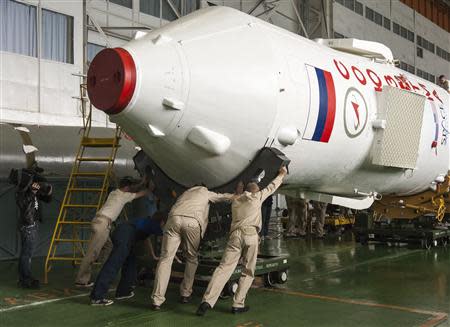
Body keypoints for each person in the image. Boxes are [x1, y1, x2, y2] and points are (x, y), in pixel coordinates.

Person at [196, 166, 287, 316]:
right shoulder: (257, 196)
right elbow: (272, 186)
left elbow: (236, 192)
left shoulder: (236, 200)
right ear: (255, 190)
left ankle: (206, 301)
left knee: (223, 269)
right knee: (248, 271)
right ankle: (238, 304)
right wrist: (282, 173)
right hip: (250, 236)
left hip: (235, 237)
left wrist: (240, 183)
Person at [150, 186, 234, 310]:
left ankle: (157, 300)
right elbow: (223, 197)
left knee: (165, 259)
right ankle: (185, 293)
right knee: (191, 258)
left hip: (173, 219)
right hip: (192, 222)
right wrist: (237, 195)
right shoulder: (205, 192)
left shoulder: (184, 193)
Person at [75, 176, 149, 287]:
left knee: (109, 247)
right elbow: (141, 193)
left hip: (102, 222)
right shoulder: (124, 196)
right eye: (130, 187)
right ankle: (81, 280)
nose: (131, 189)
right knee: (92, 253)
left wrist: (142, 182)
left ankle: (103, 275)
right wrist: (149, 188)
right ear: (127, 187)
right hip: (102, 224)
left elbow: (133, 188)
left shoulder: (114, 193)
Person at [90, 213, 166, 306]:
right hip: (124, 233)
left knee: (131, 262)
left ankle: (123, 292)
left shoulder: (149, 223)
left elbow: (147, 240)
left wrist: (153, 255)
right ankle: (97, 297)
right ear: (162, 222)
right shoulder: (156, 226)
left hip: (125, 234)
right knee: (114, 264)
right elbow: (167, 242)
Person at [15, 169, 52, 289]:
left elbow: (47, 199)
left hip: (32, 224)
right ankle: (25, 280)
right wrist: (32, 192)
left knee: (27, 254)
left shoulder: (30, 191)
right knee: (27, 254)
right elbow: (24, 204)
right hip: (28, 226)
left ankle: (24, 278)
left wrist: (46, 190)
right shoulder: (21, 192)